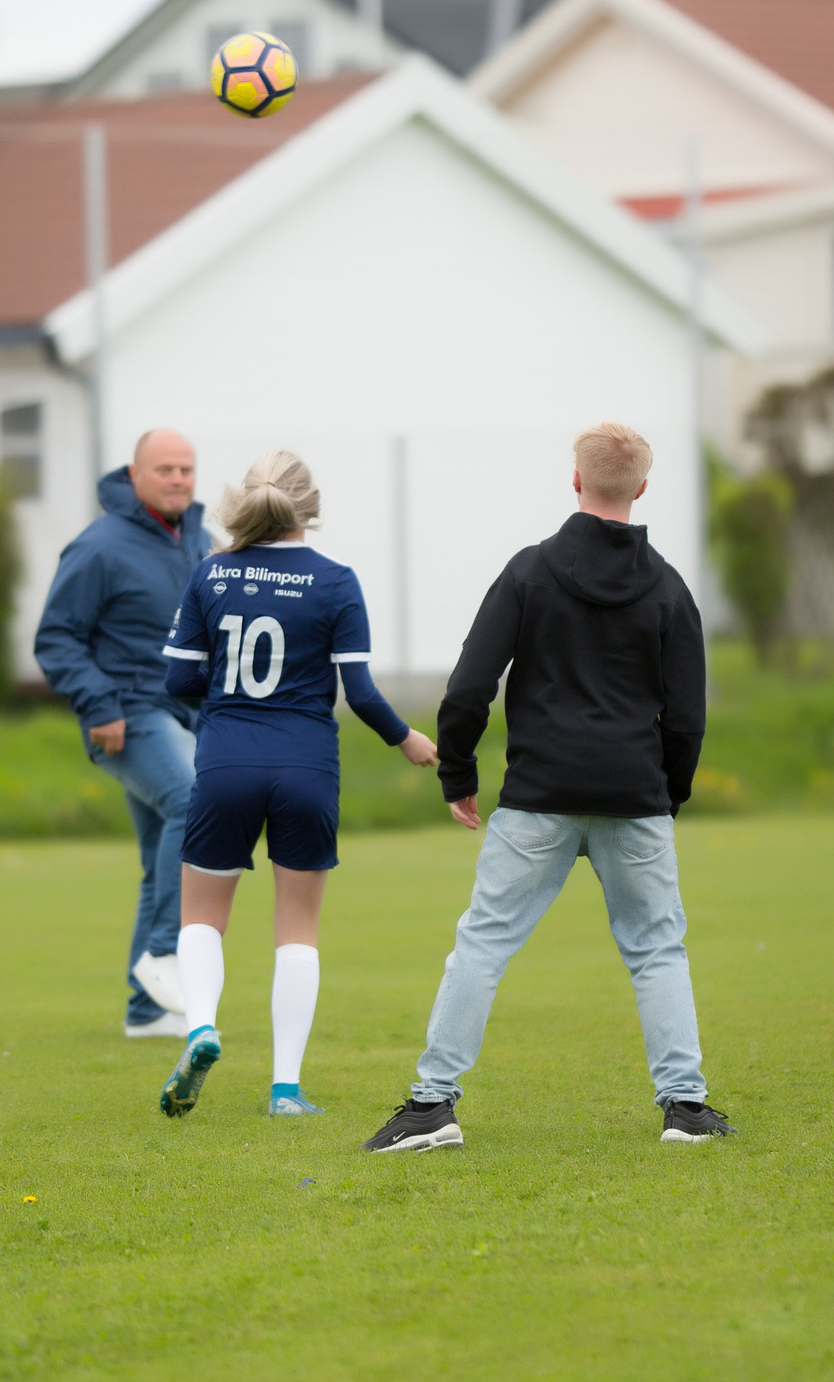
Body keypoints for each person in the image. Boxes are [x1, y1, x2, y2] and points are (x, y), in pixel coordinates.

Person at [363, 422, 736, 1151]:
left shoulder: (530, 571)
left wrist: (458, 771)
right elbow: (686, 713)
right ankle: (685, 1108)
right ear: (643, 487)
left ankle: (431, 1105)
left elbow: (471, 684)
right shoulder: (666, 585)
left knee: (481, 946)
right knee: (658, 949)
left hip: (538, 795)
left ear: (576, 480)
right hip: (634, 795)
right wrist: (671, 791)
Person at [154, 451, 438, 1119]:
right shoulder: (336, 580)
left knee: (201, 917)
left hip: (225, 761)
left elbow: (176, 681)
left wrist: (225, 699)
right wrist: (408, 738)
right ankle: (285, 1090)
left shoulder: (211, 572)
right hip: (307, 766)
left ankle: (200, 1027)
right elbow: (361, 693)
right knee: (298, 929)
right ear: (309, 506)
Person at [32, 428, 212, 1038]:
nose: (179, 480)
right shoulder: (99, 546)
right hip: (126, 716)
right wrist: (98, 702)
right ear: (133, 476)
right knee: (194, 800)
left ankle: (145, 1010)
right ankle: (164, 955)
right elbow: (56, 636)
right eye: (165, 469)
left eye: (187, 469)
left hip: (182, 714)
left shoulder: (199, 540)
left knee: (158, 857)